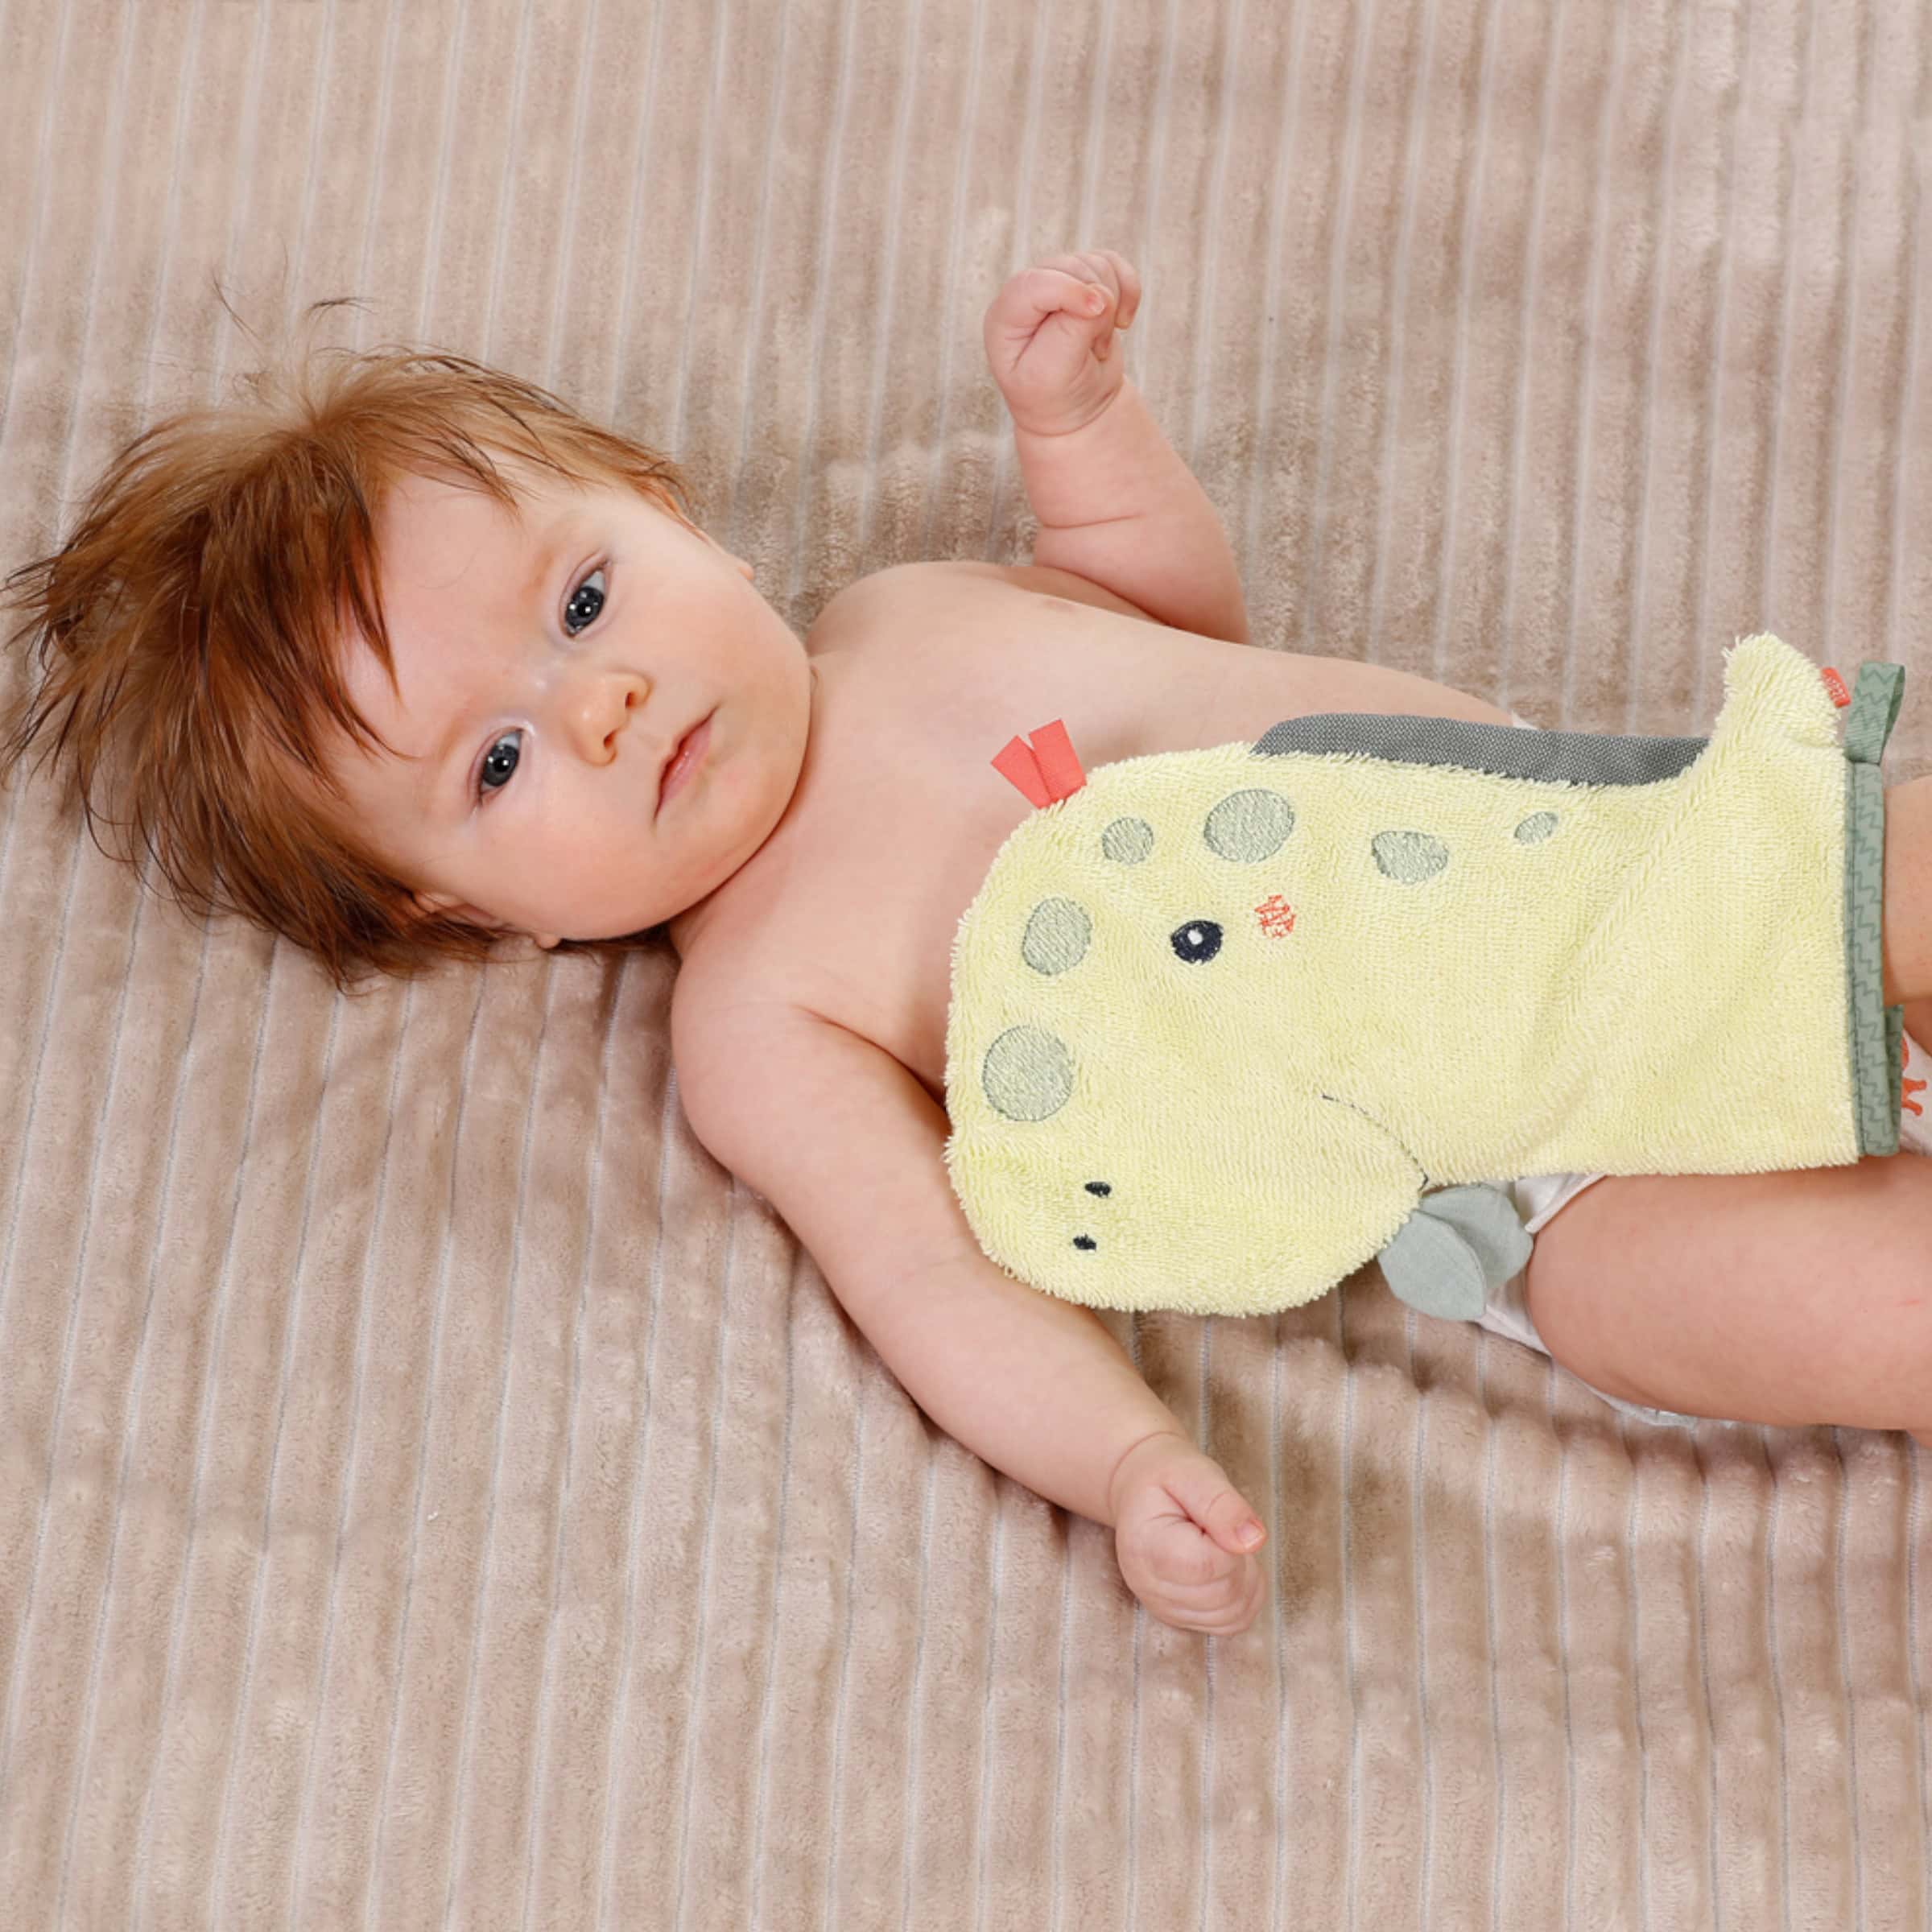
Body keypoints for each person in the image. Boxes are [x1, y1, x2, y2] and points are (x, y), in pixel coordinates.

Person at [5, 252, 1930, 1638]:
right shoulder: (760, 1015)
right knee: (1778, 1316)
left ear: (672, 513)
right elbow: (928, 1276)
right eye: (495, 763)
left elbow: (1169, 616)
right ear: (467, 913)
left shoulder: (910, 607)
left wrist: (1079, 433)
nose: (599, 704)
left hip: (1639, 866)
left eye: (585, 598)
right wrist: (1118, 1463)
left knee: (1889, 862)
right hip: (1531, 1178)